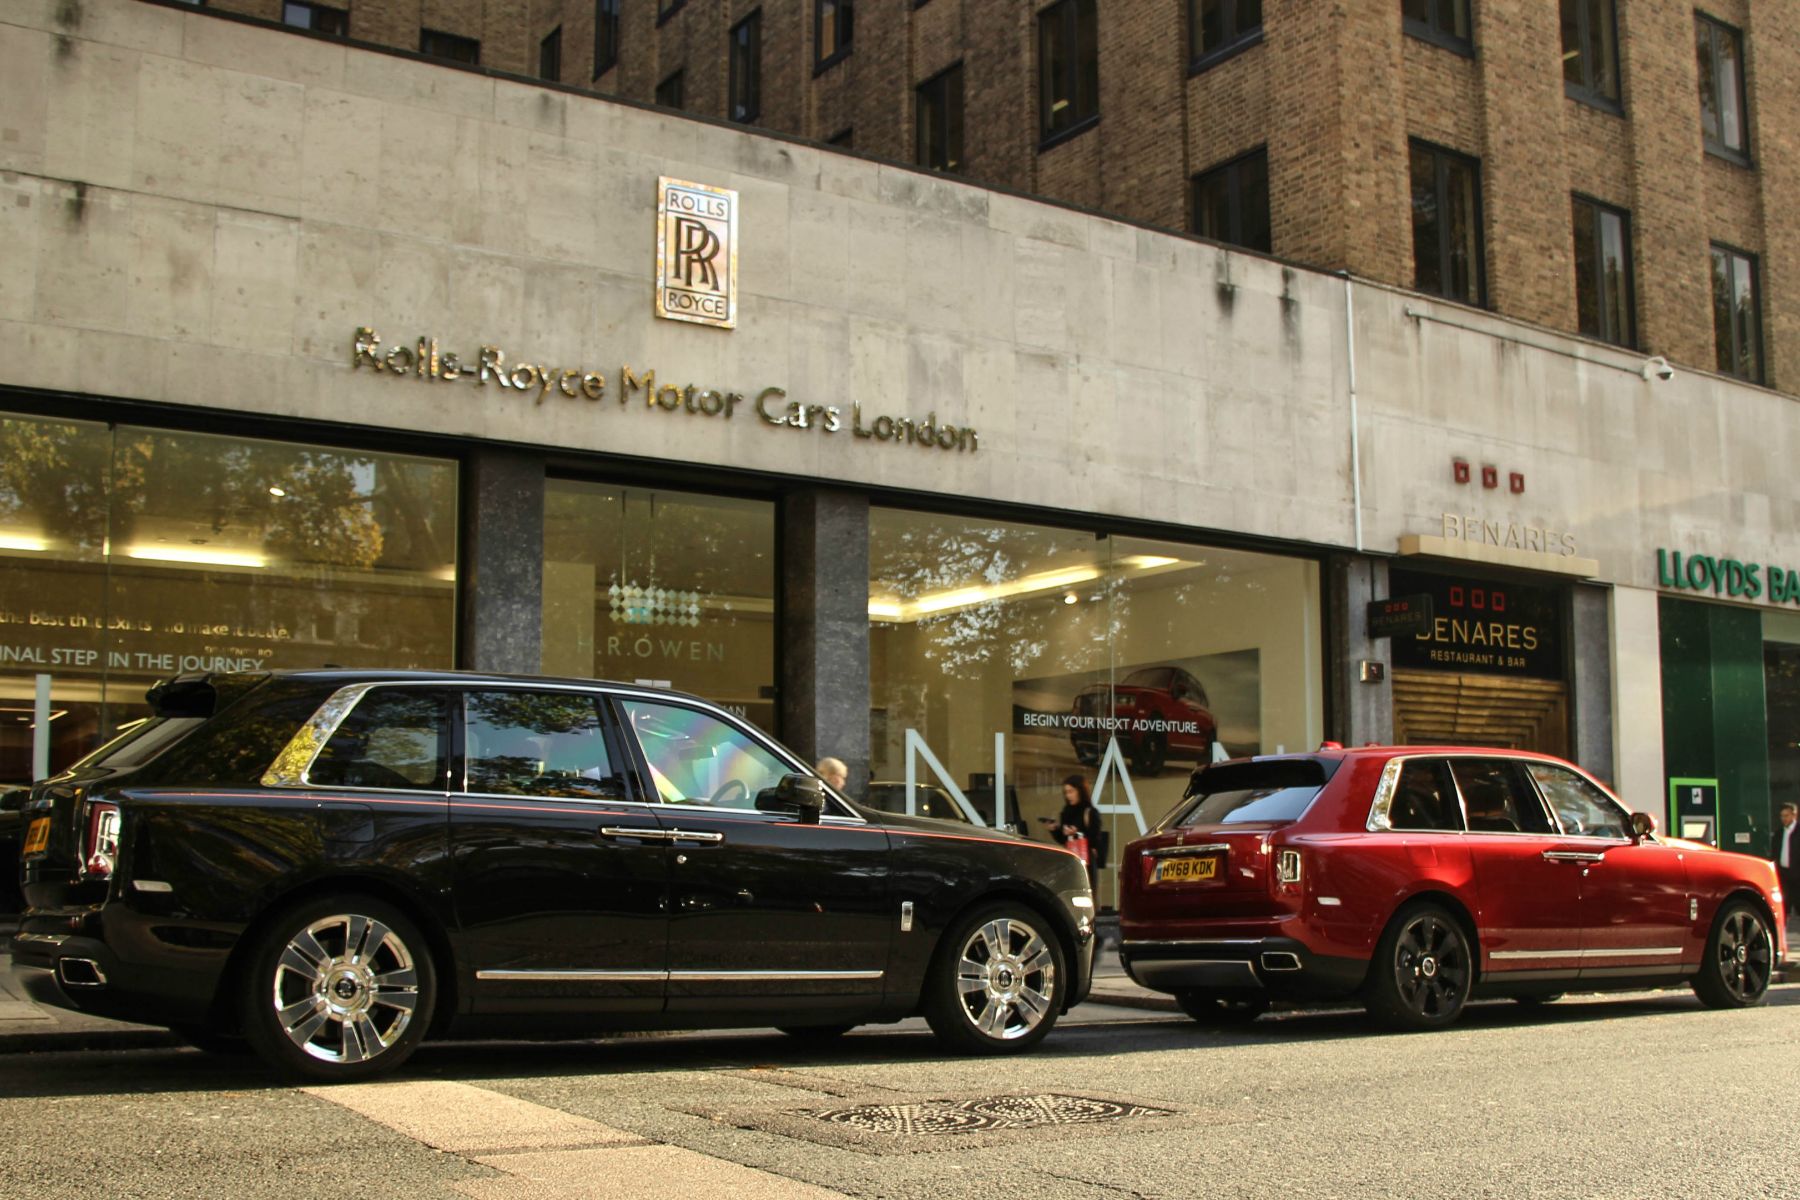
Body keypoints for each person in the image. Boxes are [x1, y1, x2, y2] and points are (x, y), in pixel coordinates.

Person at [1049, 773, 1102, 890]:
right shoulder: (1066, 812)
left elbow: (1095, 839)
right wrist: (1055, 830)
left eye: (1071, 791)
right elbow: (1063, 839)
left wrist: (1077, 833)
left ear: (1080, 791)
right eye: (1066, 792)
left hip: (1085, 860)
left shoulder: (1090, 812)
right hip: (1070, 857)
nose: (1068, 796)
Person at [1774, 802, 1797, 929]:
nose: (1784, 819)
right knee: (1784, 906)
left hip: (1798, 875)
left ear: (1794, 815)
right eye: (1782, 816)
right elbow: (1774, 853)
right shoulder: (1779, 833)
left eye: (1786, 815)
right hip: (1784, 874)